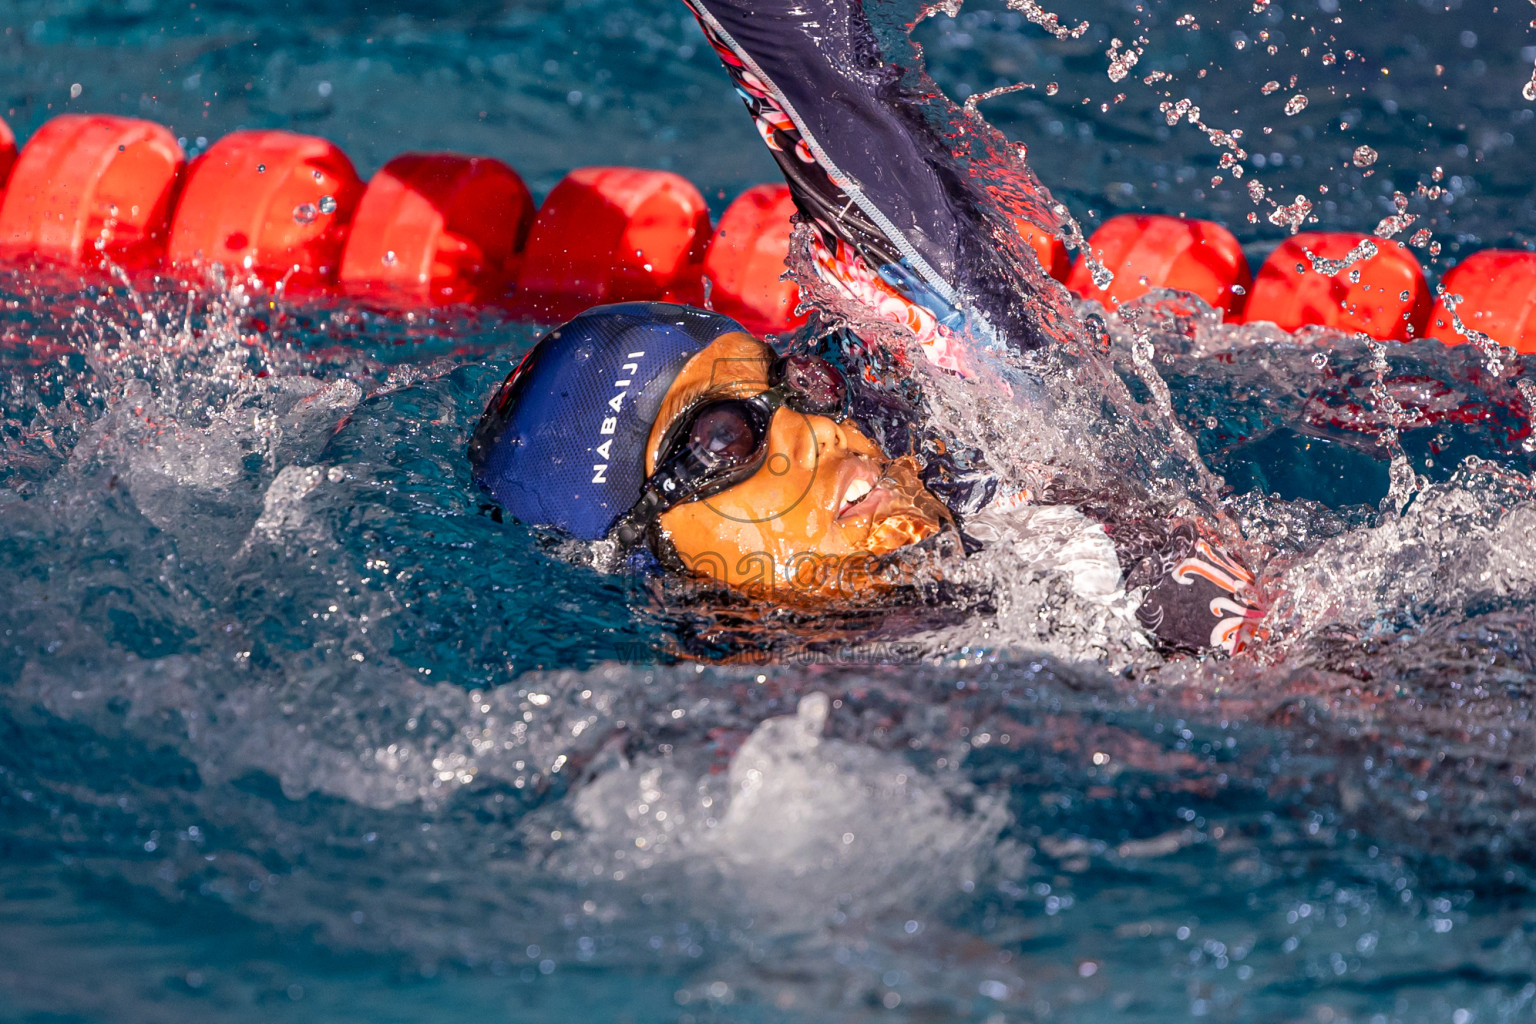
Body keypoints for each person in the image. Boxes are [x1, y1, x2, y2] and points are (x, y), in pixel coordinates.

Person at [468, 0, 1269, 656]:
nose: (822, 429)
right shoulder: (781, 772)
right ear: (647, 550)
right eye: (722, 440)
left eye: (796, 385)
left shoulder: (1018, 488)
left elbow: (827, 87)